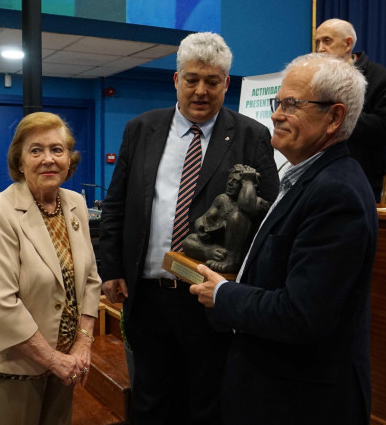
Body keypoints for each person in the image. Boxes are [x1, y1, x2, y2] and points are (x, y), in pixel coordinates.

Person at [99, 32, 280, 424]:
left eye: (212, 81)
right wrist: (111, 268)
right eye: (192, 79)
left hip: (209, 296)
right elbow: (117, 205)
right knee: (149, 399)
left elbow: (267, 217)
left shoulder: (252, 135)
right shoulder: (140, 129)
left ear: (226, 84)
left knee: (206, 400)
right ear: (176, 80)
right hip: (146, 293)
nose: (201, 90)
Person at [190, 53, 377, 424]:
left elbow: (301, 315)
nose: (276, 114)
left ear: (334, 118)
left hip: (300, 401)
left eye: (292, 104)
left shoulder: (336, 193)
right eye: (278, 102)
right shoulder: (304, 179)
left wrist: (224, 294)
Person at [0, 112, 102, 424]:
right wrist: (52, 358)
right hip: (14, 363)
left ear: (70, 158)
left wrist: (83, 342)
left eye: (57, 149)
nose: (48, 159)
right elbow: (2, 302)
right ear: (20, 160)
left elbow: (91, 280)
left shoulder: (75, 204)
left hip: (66, 360)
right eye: (36, 150)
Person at [315, 18, 386, 202]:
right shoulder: (314, 78)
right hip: (318, 173)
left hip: (361, 176)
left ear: (347, 44)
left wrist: (339, 114)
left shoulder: (380, 77)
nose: (320, 49)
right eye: (317, 42)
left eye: (327, 41)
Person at [182, 164, 269, 274]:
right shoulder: (222, 199)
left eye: (236, 182)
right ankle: (211, 253)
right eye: (229, 179)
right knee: (189, 241)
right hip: (220, 246)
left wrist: (248, 181)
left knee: (238, 215)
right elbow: (204, 219)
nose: (230, 183)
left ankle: (231, 261)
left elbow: (246, 205)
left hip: (241, 253)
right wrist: (200, 225)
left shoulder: (258, 203)